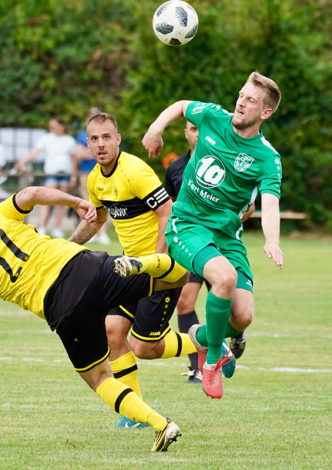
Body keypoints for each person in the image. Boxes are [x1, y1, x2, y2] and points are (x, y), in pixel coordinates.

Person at [0, 188, 188, 452]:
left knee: (100, 378)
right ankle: (148, 264)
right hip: (84, 266)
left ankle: (161, 424)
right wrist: (77, 202)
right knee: (178, 278)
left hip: (64, 310)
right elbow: (32, 193)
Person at [68, 112, 234, 426]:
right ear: (87, 144)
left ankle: (210, 343)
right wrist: (69, 244)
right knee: (112, 331)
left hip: (161, 268)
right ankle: (135, 413)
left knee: (145, 347)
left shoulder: (135, 171)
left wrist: (156, 263)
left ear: (117, 140)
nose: (101, 144)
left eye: (107, 137)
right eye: (94, 139)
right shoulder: (95, 180)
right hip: (129, 267)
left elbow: (167, 214)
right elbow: (99, 220)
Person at [142, 71, 284, 399]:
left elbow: (271, 204)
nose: (240, 102)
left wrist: (272, 239)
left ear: (265, 113)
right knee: (224, 277)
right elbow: (180, 106)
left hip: (227, 237)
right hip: (187, 226)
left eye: (250, 100)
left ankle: (204, 337)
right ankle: (210, 361)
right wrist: (155, 128)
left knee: (243, 316)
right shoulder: (212, 116)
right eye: (241, 95)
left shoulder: (267, 158)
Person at [164, 120, 255, 383]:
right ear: (186, 133)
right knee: (184, 302)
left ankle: (227, 334)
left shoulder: (228, 160)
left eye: (198, 129)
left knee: (238, 310)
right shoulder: (175, 168)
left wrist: (224, 225)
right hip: (192, 241)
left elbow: (247, 206)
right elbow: (170, 207)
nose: (195, 134)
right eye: (191, 129)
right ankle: (198, 365)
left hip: (221, 243)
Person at [13, 116, 76, 238]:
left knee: (62, 201)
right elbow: (34, 152)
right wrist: (22, 161)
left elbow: (73, 160)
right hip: (51, 173)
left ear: (61, 126)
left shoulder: (69, 140)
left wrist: (73, 177)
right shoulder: (46, 138)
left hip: (65, 173)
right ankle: (41, 226)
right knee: (46, 199)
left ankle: (57, 228)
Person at [74, 108, 110, 244]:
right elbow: (78, 154)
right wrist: (96, 152)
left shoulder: (106, 134)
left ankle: (103, 234)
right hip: (86, 173)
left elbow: (109, 152)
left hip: (103, 172)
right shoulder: (82, 135)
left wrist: (90, 151)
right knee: (87, 203)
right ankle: (90, 233)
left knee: (104, 202)